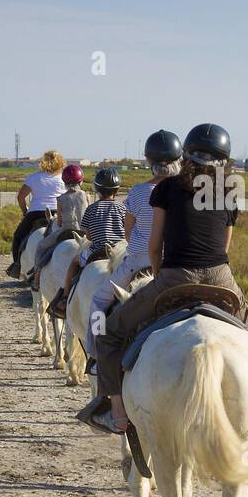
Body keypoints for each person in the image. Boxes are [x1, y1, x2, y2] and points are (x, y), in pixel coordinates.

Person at [86, 123, 248, 434]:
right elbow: (224, 248)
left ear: (187, 154)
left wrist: (160, 277)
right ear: (225, 159)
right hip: (221, 278)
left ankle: (115, 413)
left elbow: (155, 246)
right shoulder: (230, 189)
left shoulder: (166, 188)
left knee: (109, 334)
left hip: (174, 274)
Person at [84, 130, 182, 364]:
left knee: (99, 301)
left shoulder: (139, 191)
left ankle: (96, 354)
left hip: (138, 260)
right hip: (175, 264)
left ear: (150, 162)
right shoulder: (184, 192)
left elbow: (128, 231)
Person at [47, 167, 125, 317]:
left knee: (74, 263)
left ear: (97, 189)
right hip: (117, 252)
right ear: (117, 190)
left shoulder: (92, 209)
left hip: (96, 251)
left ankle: (65, 296)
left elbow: (88, 236)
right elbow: (127, 233)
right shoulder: (122, 208)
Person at [7, 150, 67, 278]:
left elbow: (20, 197)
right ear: (61, 163)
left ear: (43, 162)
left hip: (36, 212)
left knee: (18, 236)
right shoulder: (63, 179)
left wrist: (25, 212)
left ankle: (17, 265)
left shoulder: (34, 178)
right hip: (58, 213)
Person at [28, 165, 88, 287]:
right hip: (84, 232)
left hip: (66, 231)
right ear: (80, 181)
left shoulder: (60, 198)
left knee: (40, 246)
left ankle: (36, 274)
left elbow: (59, 223)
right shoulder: (86, 195)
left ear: (65, 182)